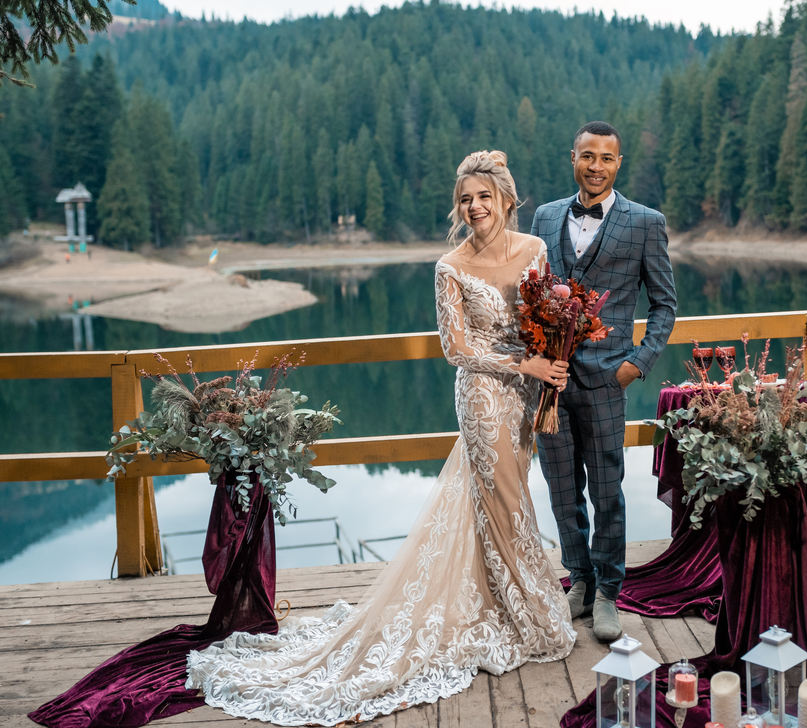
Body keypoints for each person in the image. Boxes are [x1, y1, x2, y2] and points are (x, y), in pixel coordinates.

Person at [184, 150, 576, 725]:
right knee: (503, 501)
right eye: (465, 198)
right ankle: (523, 611)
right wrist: (527, 368)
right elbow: (456, 349)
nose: (473, 207)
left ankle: (500, 602)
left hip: (524, 399)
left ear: (507, 200)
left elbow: (543, 318)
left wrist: (550, 357)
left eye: (483, 197)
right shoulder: (450, 266)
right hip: (485, 397)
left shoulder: (536, 252)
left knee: (505, 502)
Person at [531, 121, 677, 643]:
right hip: (549, 379)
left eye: (606, 158)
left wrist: (636, 364)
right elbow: (533, 290)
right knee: (561, 488)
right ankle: (580, 580)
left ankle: (610, 593)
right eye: (587, 156)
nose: (596, 166)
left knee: (608, 491)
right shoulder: (545, 216)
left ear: (619, 164)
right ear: (572, 157)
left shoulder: (646, 223)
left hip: (607, 379)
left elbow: (664, 304)